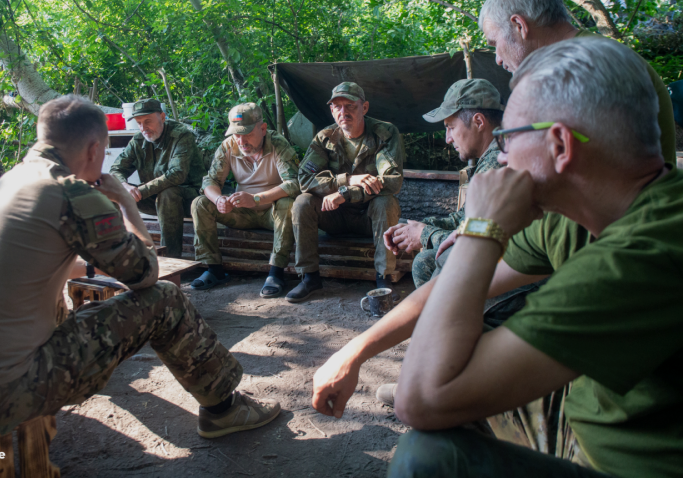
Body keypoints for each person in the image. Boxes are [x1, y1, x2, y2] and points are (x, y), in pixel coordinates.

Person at [0, 96, 280, 438]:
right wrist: (125, 202)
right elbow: (146, 274)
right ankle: (223, 409)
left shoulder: (10, 182)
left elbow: (43, 266)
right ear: (95, 149)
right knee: (165, 299)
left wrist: (92, 268)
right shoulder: (69, 192)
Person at [400, 39, 681, 476]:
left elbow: (419, 400)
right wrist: (357, 352)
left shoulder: (640, 257)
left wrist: (481, 228)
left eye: (508, 138)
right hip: (590, 413)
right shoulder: (606, 214)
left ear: (560, 145)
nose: (503, 156)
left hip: (621, 463)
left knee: (430, 457)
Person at [384, 78, 505, 288]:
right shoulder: (493, 155)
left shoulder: (498, 163)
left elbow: (480, 240)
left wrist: (424, 234)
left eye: (450, 127)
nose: (448, 138)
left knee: (437, 261)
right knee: (426, 261)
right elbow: (466, 218)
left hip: (510, 270)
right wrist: (414, 228)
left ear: (478, 122)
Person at [289, 82, 403, 303]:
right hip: (335, 216)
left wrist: (346, 192)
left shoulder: (384, 133)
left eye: (350, 105)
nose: (343, 112)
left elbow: (391, 181)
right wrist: (348, 179)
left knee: (386, 202)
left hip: (369, 217)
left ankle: (384, 279)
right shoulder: (325, 138)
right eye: (337, 107)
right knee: (303, 202)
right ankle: (309, 277)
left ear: (365, 107)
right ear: (331, 111)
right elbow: (304, 179)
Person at [190, 103, 299, 297]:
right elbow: (210, 181)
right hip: (241, 213)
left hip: (271, 212)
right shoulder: (229, 146)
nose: (241, 140)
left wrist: (257, 199)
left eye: (247, 133)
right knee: (200, 203)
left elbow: (293, 183)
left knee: (288, 204)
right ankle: (214, 269)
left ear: (263, 128)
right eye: (236, 134)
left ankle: (276, 272)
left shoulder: (277, 144)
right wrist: (219, 200)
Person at [110, 99, 206, 258]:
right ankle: (121, 256)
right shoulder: (138, 140)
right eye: (139, 122)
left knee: (167, 194)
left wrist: (139, 191)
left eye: (148, 121)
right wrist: (124, 186)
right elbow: (116, 169)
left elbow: (177, 174)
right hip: (154, 197)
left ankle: (171, 260)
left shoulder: (181, 135)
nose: (143, 127)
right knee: (113, 194)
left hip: (190, 198)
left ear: (162, 117)